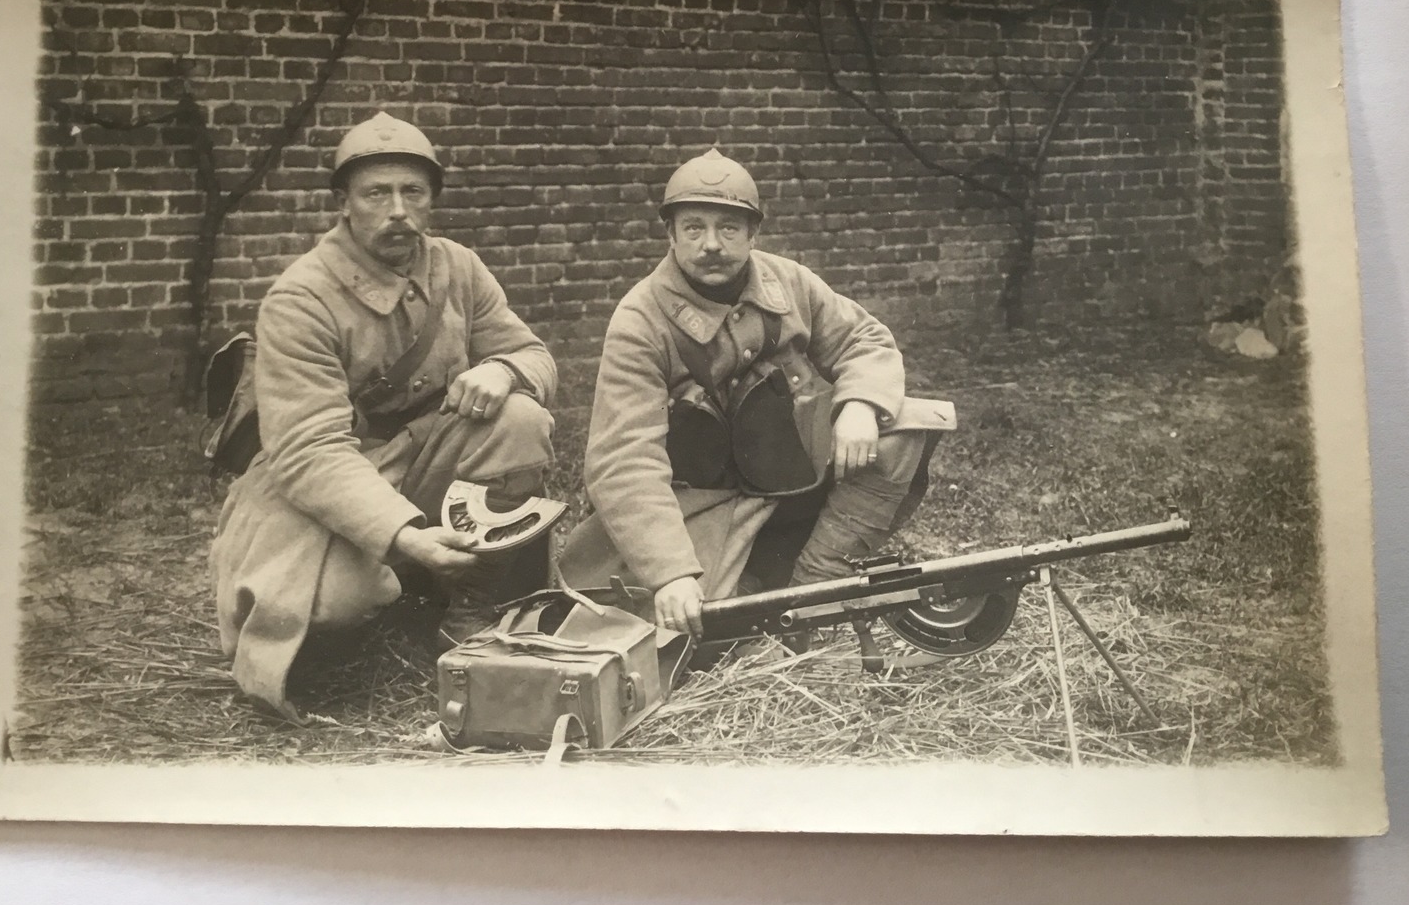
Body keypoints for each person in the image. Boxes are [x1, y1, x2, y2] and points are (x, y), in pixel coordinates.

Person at [210, 111, 558, 716]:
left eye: (413, 192)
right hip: (321, 475)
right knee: (333, 605)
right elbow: (309, 453)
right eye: (377, 193)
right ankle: (402, 580)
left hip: (422, 451)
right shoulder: (301, 299)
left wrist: (501, 370)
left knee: (520, 419)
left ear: (430, 203)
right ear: (345, 204)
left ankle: (475, 602)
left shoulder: (457, 266)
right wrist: (409, 535)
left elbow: (533, 353)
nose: (398, 210)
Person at [559, 148, 950, 639]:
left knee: (902, 431)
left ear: (753, 233)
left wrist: (861, 406)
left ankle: (818, 586)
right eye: (694, 227)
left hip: (790, 473)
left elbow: (863, 339)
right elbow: (623, 459)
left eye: (729, 228)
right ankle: (750, 579)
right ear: (670, 234)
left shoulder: (788, 281)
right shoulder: (640, 319)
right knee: (707, 629)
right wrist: (670, 572)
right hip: (701, 501)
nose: (711, 245)